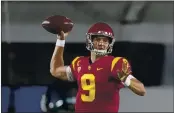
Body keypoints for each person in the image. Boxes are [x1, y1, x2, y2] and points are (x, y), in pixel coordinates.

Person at [50, 22, 146, 112]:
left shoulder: (115, 63)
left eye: (105, 40)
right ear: (90, 40)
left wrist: (125, 78)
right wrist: (60, 41)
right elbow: (55, 71)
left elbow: (141, 90)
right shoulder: (80, 62)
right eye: (97, 39)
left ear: (110, 43)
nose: (101, 43)